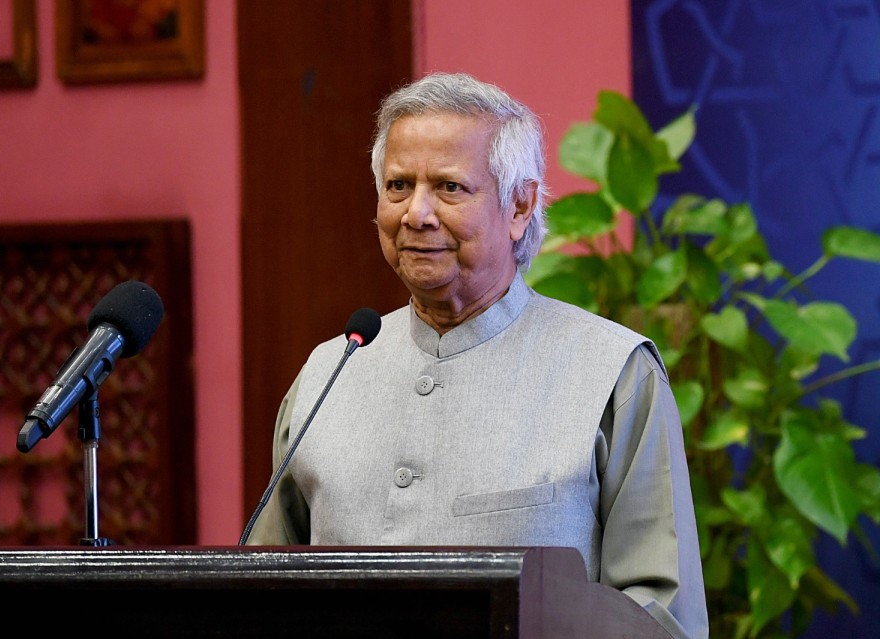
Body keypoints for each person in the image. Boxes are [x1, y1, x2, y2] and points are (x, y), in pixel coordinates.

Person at [247, 72, 709, 639]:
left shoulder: (613, 372)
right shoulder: (329, 371)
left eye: (449, 187)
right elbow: (257, 594)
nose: (416, 213)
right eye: (397, 186)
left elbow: (661, 618)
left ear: (520, 205)